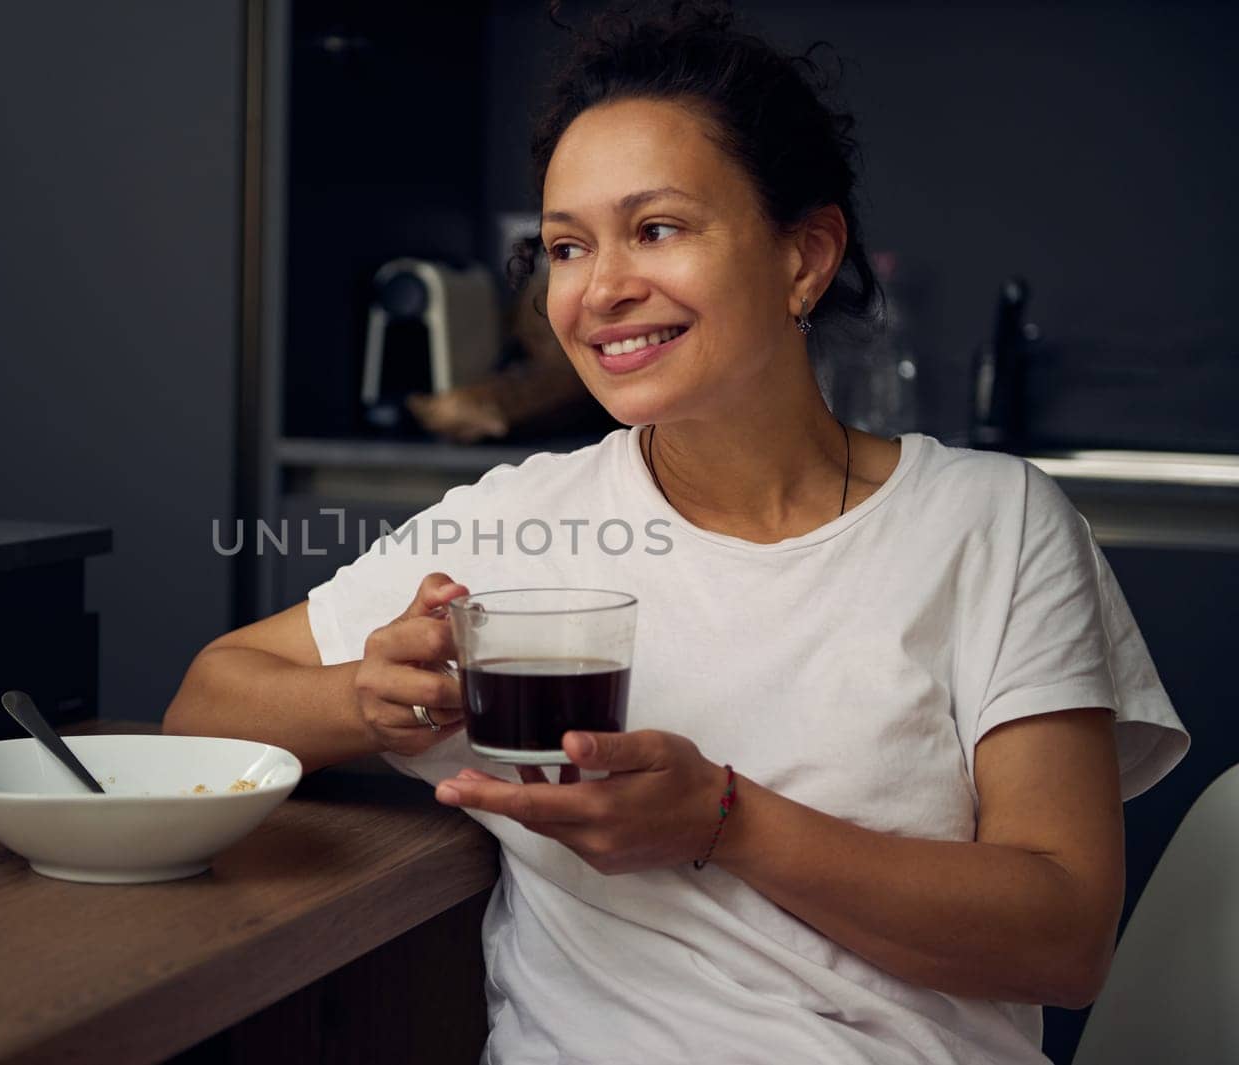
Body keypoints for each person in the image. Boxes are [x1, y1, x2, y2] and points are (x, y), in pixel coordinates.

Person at [164, 3, 1189, 1061]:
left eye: (656, 229)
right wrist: (370, 703)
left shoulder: (992, 523)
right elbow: (205, 706)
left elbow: (1061, 939)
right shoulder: (520, 521)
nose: (601, 289)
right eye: (566, 247)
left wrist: (724, 822)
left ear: (805, 257)